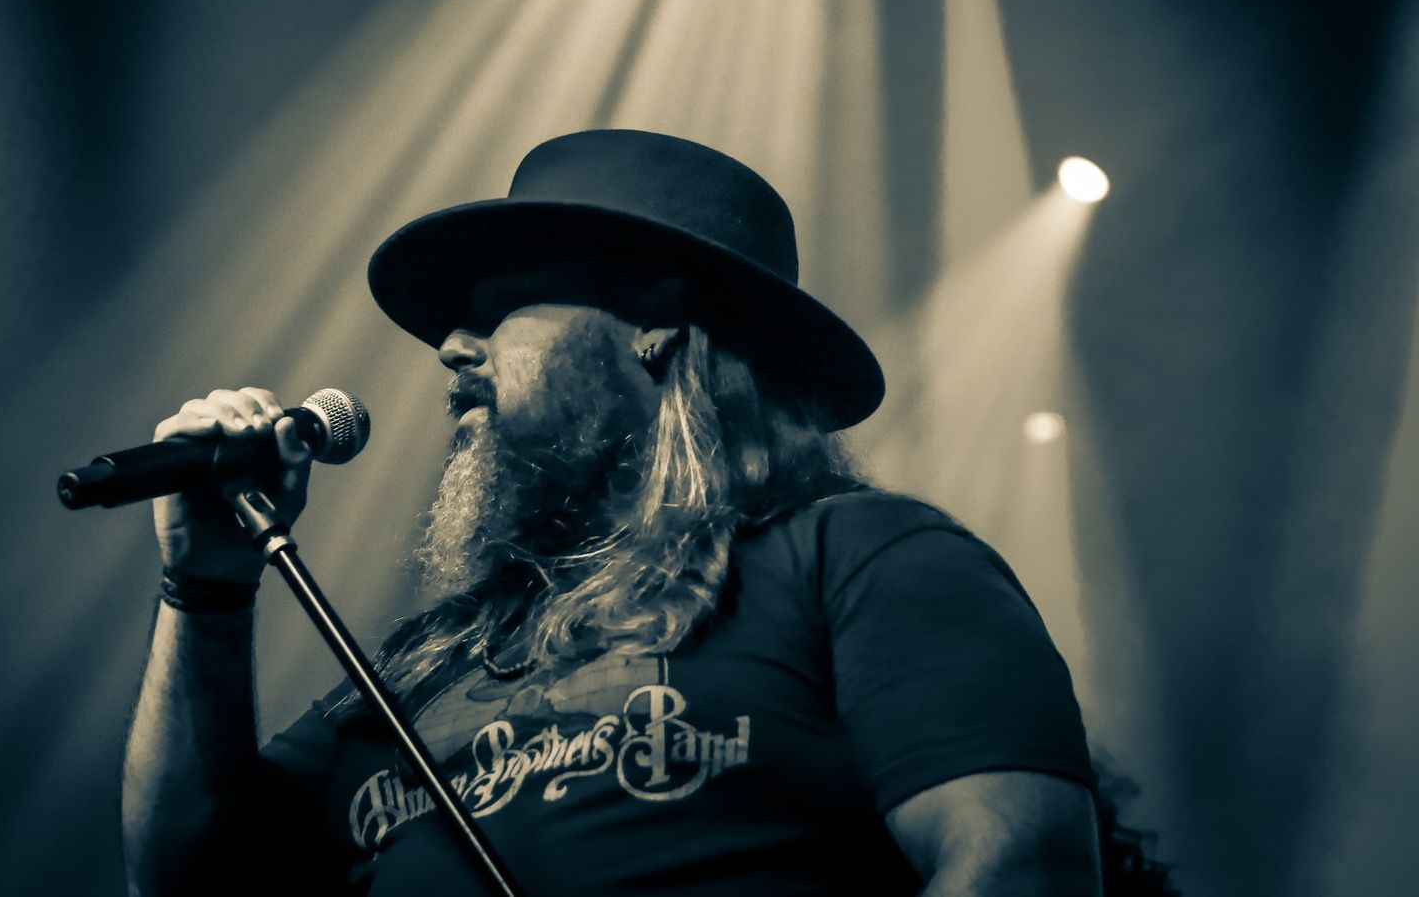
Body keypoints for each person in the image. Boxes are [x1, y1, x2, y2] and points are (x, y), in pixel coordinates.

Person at [121, 130, 1103, 896]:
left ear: (655, 324)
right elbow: (190, 883)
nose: (452, 346)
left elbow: (1023, 864)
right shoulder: (430, 661)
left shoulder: (858, 557)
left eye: (502, 305)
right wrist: (205, 589)